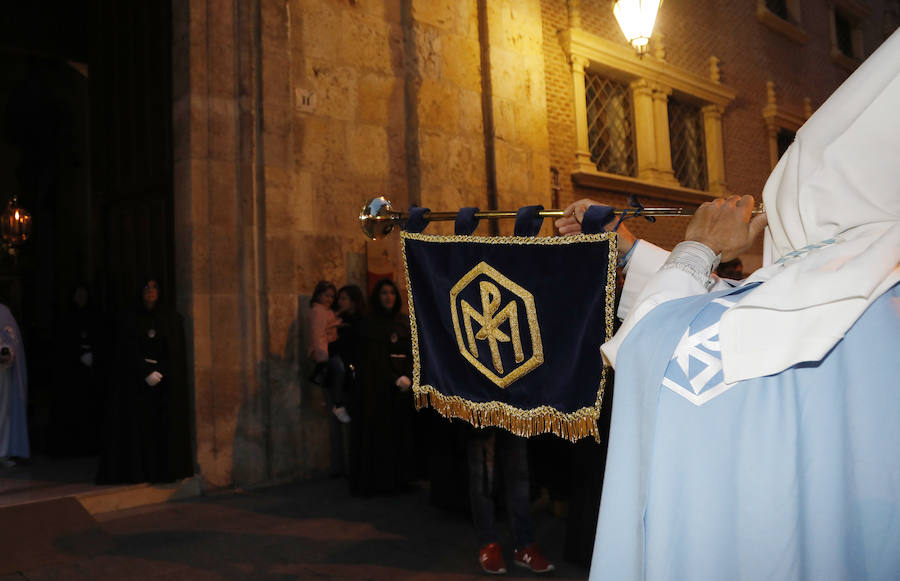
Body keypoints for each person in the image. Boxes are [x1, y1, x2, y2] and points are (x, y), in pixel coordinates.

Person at [556, 30, 900, 581]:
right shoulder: (870, 280)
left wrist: (700, 246)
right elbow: (754, 313)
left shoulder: (837, 289)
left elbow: (665, 358)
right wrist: (631, 252)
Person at [96, 277, 193, 484]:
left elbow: (174, 350)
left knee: (162, 429)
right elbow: (126, 349)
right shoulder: (129, 318)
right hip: (137, 384)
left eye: (154, 287)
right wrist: (145, 372)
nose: (150, 291)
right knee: (139, 431)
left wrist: (161, 371)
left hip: (163, 384)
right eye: (146, 287)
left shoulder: (170, 317)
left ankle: (163, 471)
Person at [349, 279, 415, 496]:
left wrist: (407, 376)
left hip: (401, 389)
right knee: (379, 435)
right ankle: (379, 481)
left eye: (392, 293)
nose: (388, 297)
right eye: (384, 293)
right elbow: (371, 359)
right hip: (377, 389)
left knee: (401, 434)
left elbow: (412, 353)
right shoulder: (369, 324)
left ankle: (401, 479)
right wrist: (391, 377)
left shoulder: (404, 322)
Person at [468, 428, 555, 575]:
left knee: (518, 469)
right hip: (482, 407)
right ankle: (488, 543)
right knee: (483, 470)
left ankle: (524, 545)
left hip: (514, 407)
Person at [50, 283, 103, 456]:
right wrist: (77, 355)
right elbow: (62, 344)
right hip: (72, 373)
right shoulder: (66, 317)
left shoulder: (95, 316)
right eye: (78, 294)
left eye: (84, 294)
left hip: (91, 371)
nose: (81, 298)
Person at [307, 281, 351, 424]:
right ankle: (338, 405)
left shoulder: (324, 311)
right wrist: (322, 357)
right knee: (339, 370)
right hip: (325, 351)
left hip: (329, 349)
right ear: (318, 295)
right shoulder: (318, 311)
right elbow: (318, 334)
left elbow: (328, 324)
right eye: (326, 296)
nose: (330, 300)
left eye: (332, 297)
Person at [0, 303, 28, 467]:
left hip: (2, 371)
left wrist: (7, 351)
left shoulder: (3, 312)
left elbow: (12, 340)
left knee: (3, 412)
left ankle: (2, 452)